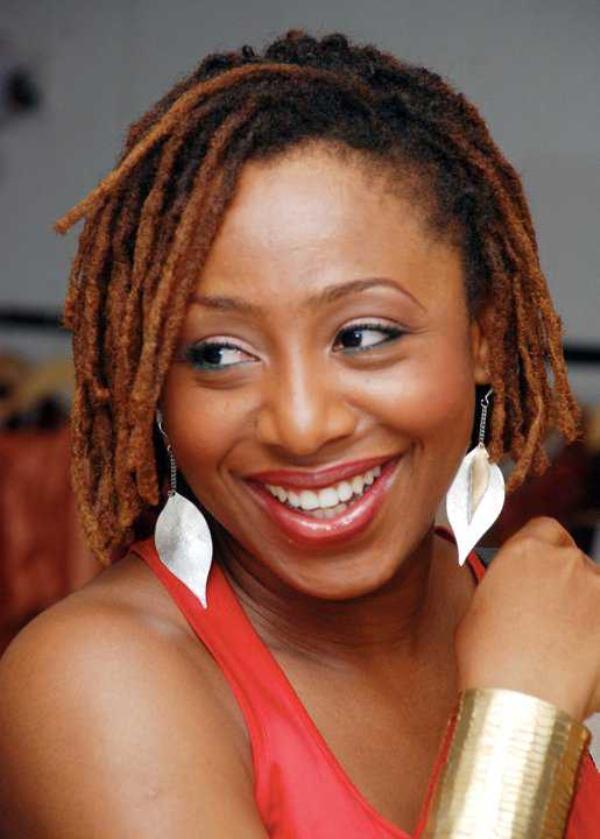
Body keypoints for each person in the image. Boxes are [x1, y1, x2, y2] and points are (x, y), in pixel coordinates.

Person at [0, 29, 599, 837]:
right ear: (156, 387)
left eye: (364, 335)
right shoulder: (92, 681)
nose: (302, 424)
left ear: (484, 335)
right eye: (218, 353)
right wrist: (519, 725)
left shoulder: (546, 620)